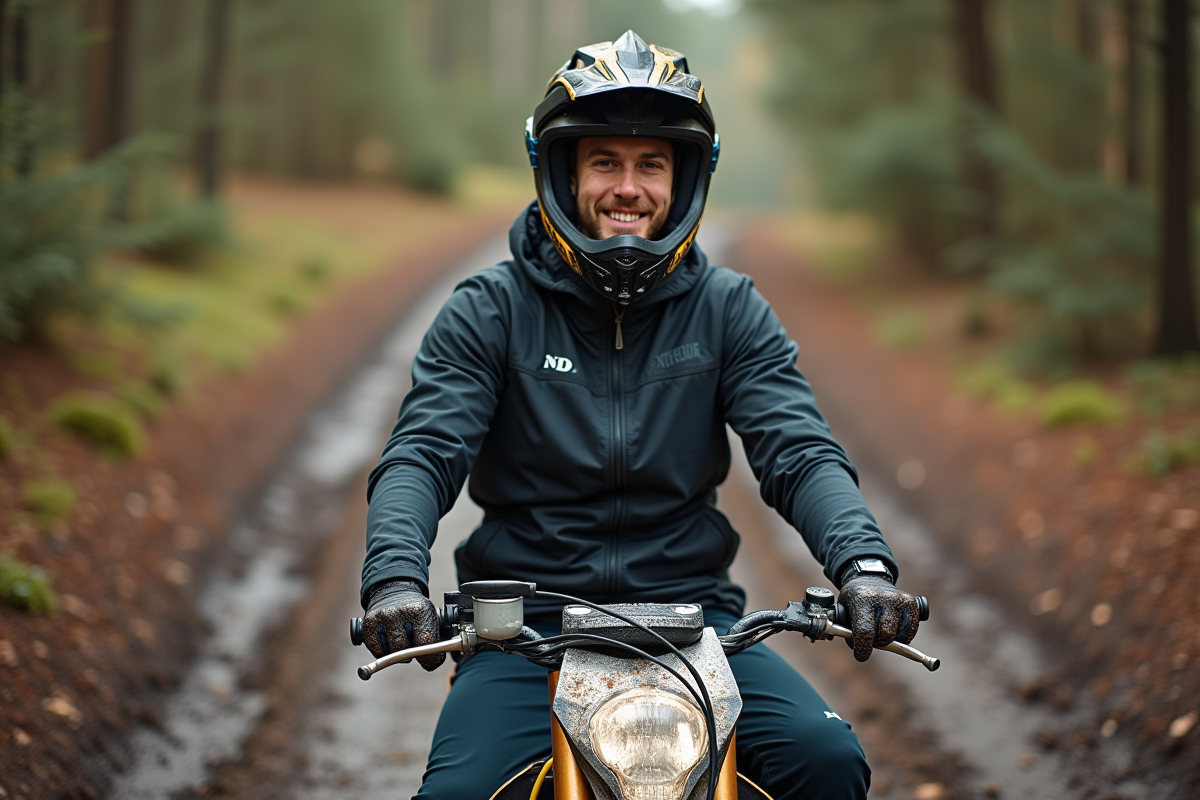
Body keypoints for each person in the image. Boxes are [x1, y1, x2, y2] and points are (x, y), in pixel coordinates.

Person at [359, 31, 922, 800]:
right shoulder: (489, 311)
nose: (628, 188)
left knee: (826, 762)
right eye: (605, 162)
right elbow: (423, 453)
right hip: (526, 632)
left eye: (651, 164)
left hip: (695, 624)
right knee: (456, 795)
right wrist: (394, 580)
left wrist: (863, 567)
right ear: (562, 173)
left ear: (684, 180)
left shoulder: (729, 310)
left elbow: (799, 452)